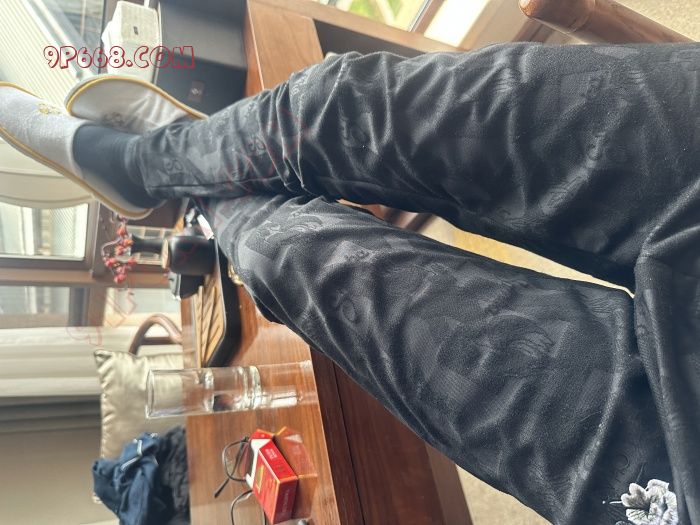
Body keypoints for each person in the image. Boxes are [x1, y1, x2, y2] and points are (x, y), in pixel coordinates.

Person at [1, 43, 698, 525]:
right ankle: (165, 165)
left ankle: (182, 176)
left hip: (676, 447)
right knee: (338, 104)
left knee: (292, 257)